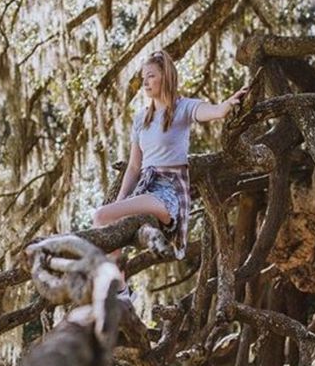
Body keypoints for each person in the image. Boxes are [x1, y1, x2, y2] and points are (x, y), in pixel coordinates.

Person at [91, 51, 247, 293]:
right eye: (143, 77)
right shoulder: (141, 118)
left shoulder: (183, 108)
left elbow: (212, 111)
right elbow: (133, 167)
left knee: (101, 216)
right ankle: (119, 290)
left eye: (151, 76)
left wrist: (226, 106)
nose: (144, 82)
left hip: (169, 192)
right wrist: (121, 200)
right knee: (105, 218)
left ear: (166, 77)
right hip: (146, 188)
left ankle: (118, 291)